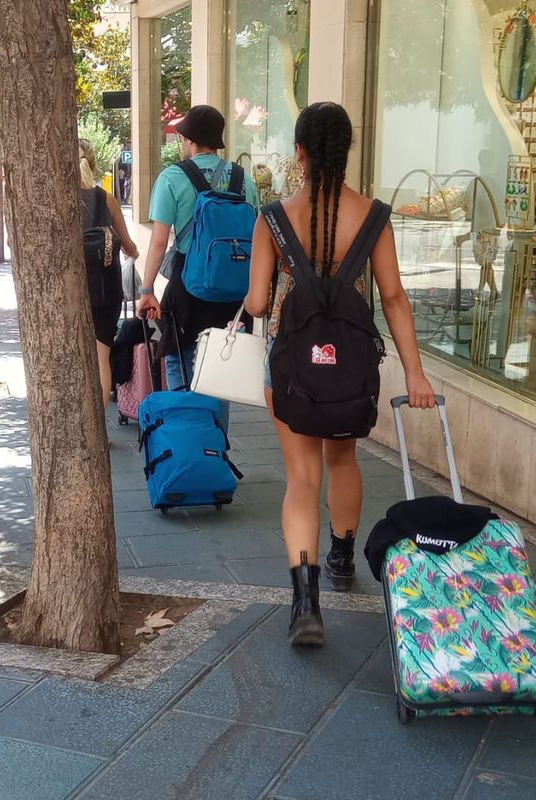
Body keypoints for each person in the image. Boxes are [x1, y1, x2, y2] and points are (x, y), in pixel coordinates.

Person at [244, 102, 434, 644]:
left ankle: (306, 603)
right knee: (343, 458)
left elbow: (258, 304)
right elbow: (393, 297)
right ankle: (343, 558)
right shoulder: (373, 216)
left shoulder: (273, 218)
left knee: (302, 478)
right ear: (345, 152)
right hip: (350, 365)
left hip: (289, 366)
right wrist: (416, 374)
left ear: (300, 153)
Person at [135, 105, 259, 433]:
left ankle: (186, 446)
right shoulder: (243, 179)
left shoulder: (173, 177)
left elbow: (159, 243)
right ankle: (215, 450)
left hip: (188, 283)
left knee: (178, 356)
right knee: (221, 367)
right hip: (233, 287)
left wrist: (147, 290)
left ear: (188, 140)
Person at [80, 139, 139, 403]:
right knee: (101, 356)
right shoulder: (108, 200)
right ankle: (100, 428)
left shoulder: (57, 201)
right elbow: (129, 246)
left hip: (73, 289)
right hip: (106, 290)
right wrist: (132, 252)